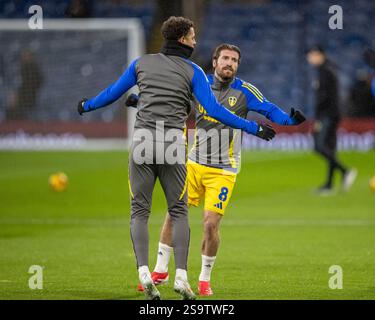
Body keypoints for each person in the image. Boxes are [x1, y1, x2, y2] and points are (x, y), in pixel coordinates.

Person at [77, 17, 276, 300]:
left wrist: (86, 105)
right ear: (182, 39)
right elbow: (214, 111)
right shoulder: (193, 70)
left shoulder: (141, 63)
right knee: (179, 210)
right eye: (193, 37)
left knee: (140, 211)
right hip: (172, 144)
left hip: (143, 142)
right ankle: (181, 276)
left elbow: (111, 94)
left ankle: (146, 271)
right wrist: (253, 127)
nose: (196, 41)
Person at [130, 43, 306, 296]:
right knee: (173, 213)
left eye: (234, 60)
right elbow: (170, 101)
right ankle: (160, 270)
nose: (229, 64)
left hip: (224, 170)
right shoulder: (199, 83)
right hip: (193, 163)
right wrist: (139, 101)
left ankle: (203, 279)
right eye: (225, 58)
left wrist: (289, 120)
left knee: (210, 225)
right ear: (214, 62)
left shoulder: (245, 91)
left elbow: (268, 109)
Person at [306, 45, 357, 195]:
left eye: (311, 55)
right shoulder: (328, 69)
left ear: (319, 55)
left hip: (327, 115)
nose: (309, 58)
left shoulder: (325, 71)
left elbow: (325, 97)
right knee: (330, 148)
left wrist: (318, 118)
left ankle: (345, 171)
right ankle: (329, 185)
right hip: (332, 114)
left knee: (319, 146)